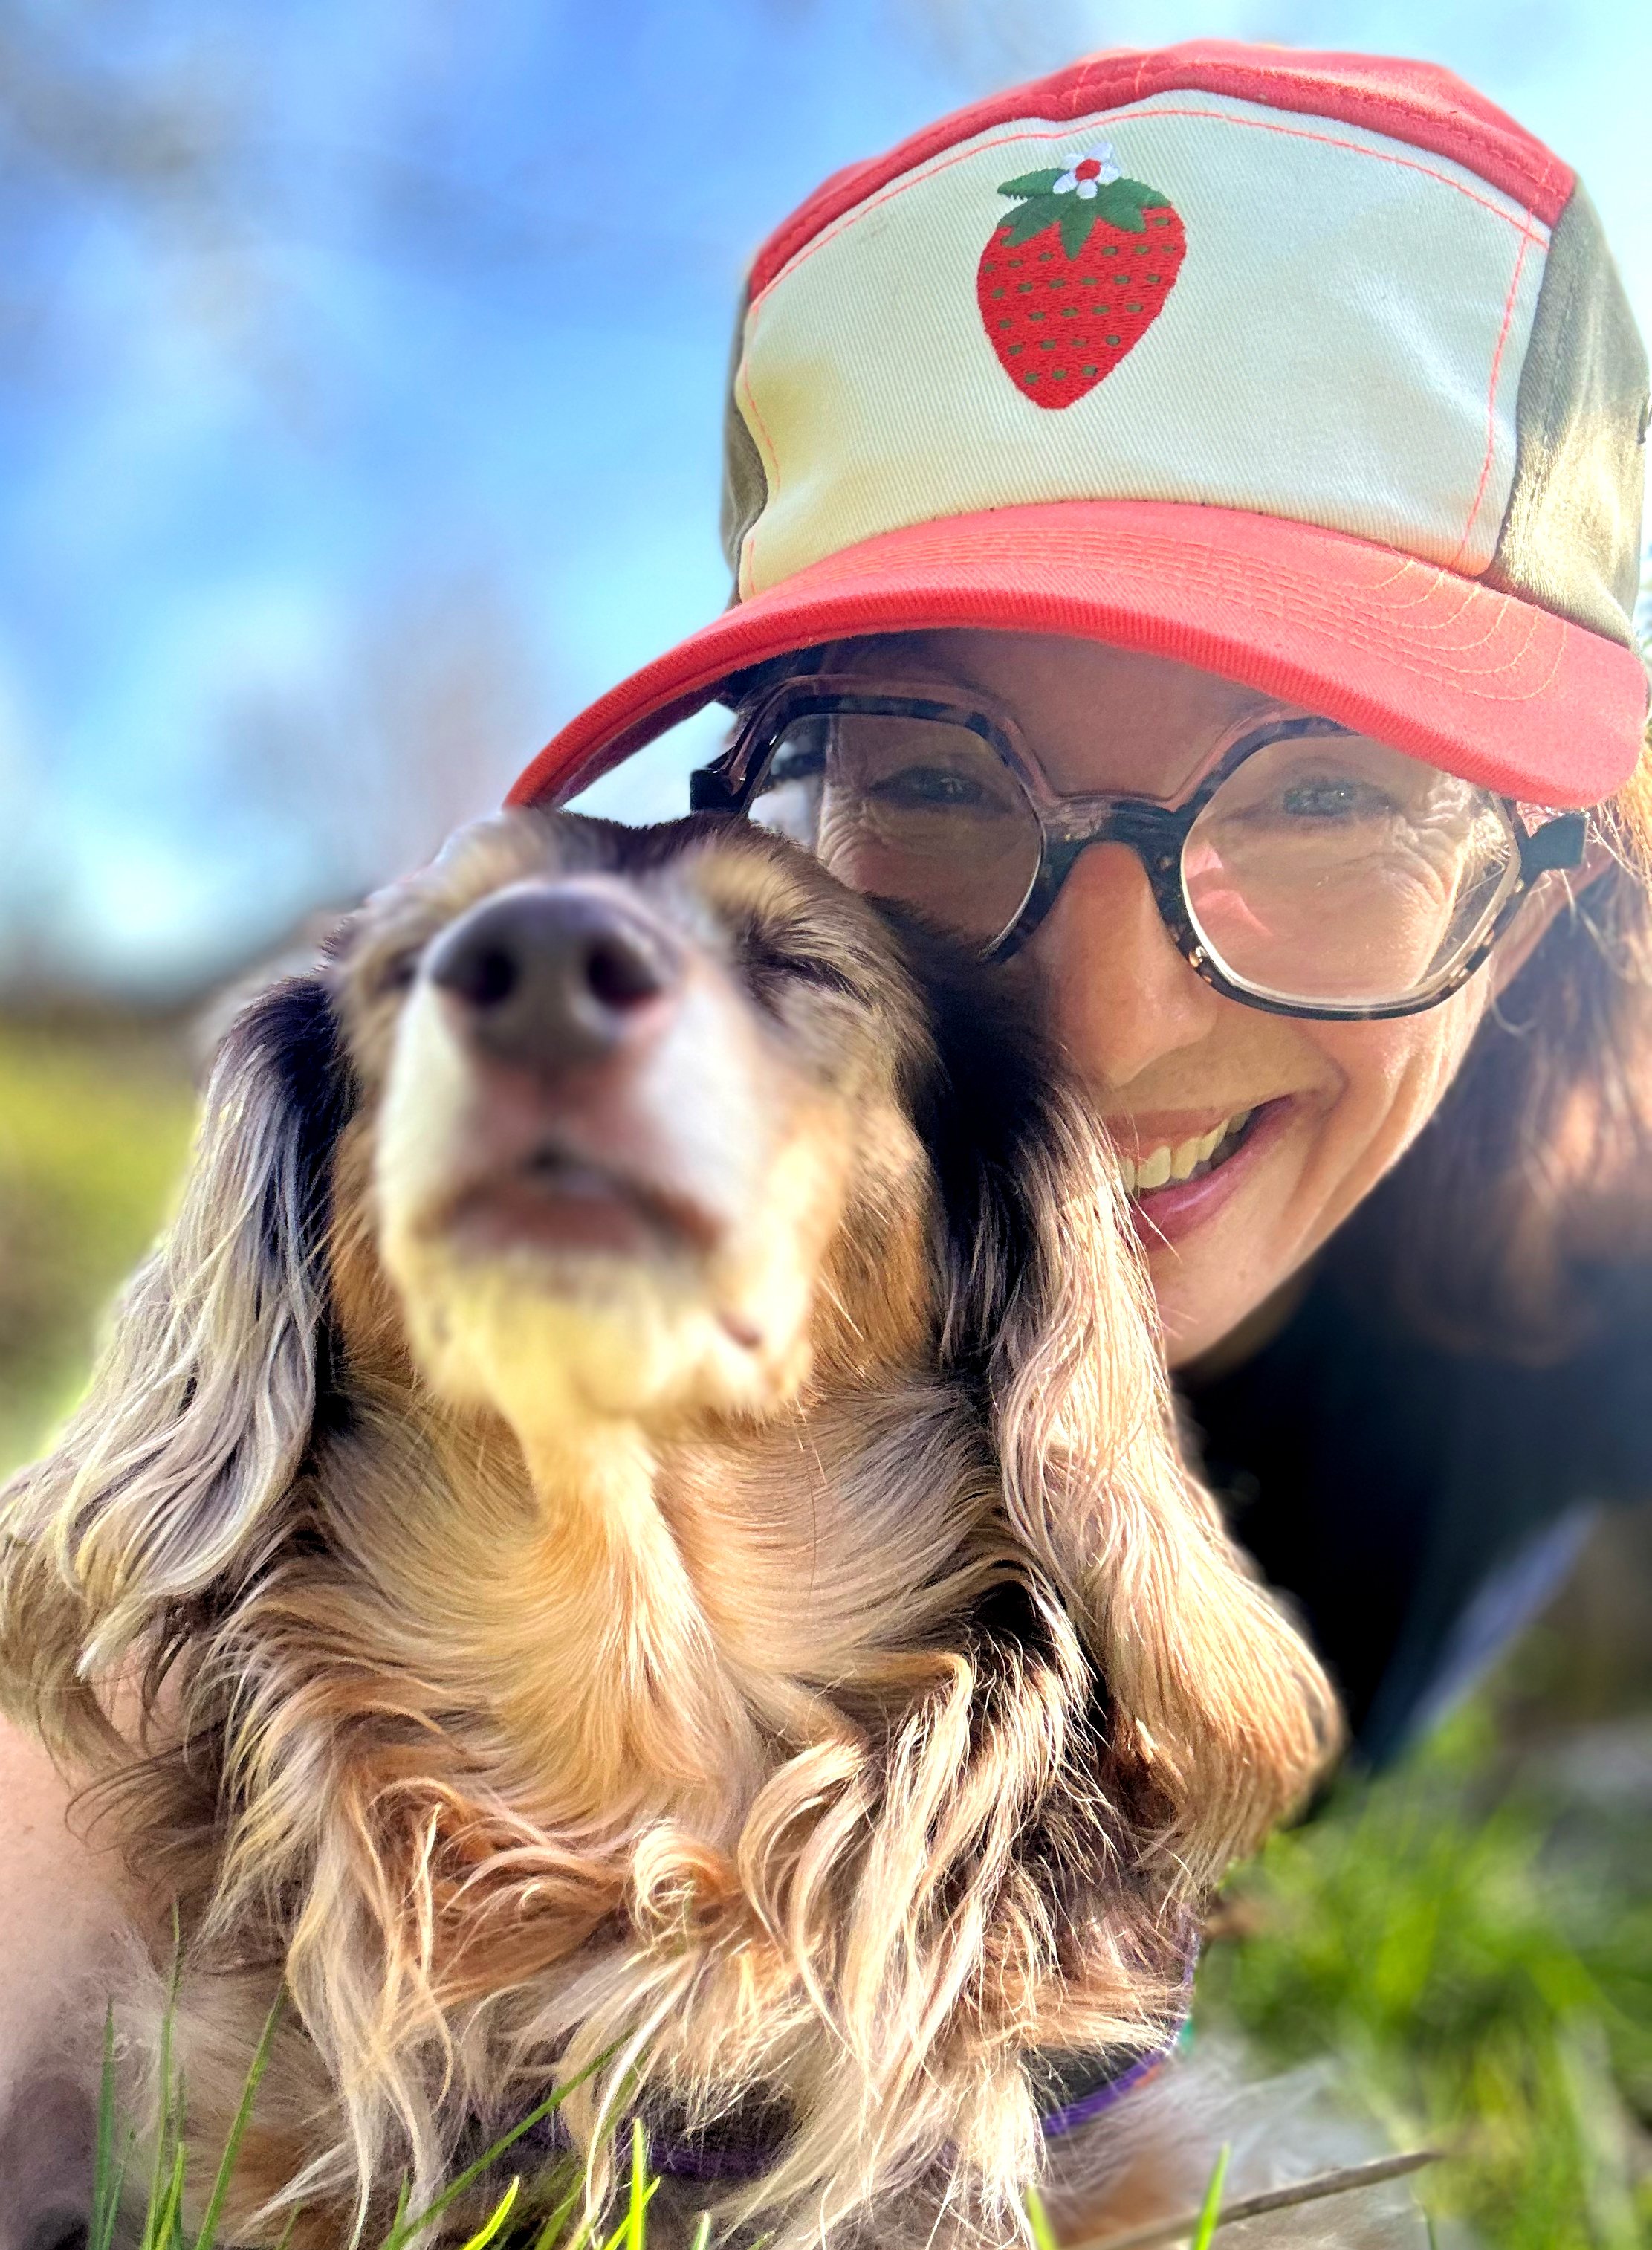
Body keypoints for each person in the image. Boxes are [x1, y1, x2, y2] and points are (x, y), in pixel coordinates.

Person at [508, 41, 1652, 1763]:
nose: (1098, 1030)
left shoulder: (1606, 1266)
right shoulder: (640, 1212)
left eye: (1330, 795)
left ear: (1543, 887)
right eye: (935, 784)